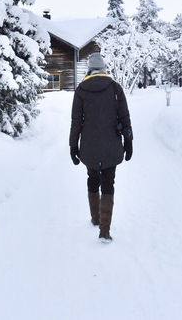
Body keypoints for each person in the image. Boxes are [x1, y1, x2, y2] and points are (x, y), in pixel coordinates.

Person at [69, 53, 133, 242]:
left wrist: (73, 146)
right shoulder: (115, 88)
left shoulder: (81, 90)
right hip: (111, 145)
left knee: (92, 177)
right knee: (108, 182)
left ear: (89, 69)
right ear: (104, 68)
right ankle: (104, 230)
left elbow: (75, 122)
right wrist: (129, 141)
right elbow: (125, 117)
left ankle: (96, 218)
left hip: (89, 147)